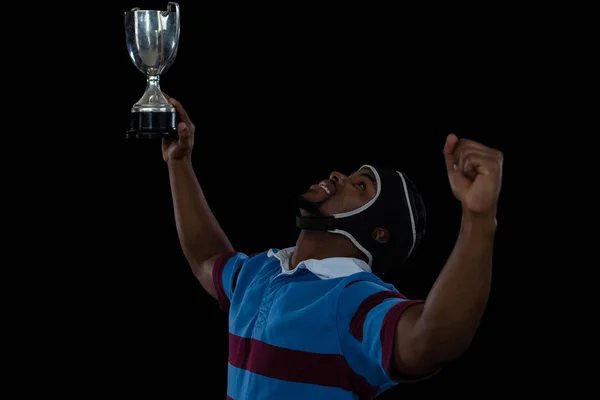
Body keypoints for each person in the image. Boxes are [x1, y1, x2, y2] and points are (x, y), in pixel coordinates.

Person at [163, 95, 503, 399]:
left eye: (360, 185)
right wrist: (179, 164)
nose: (338, 175)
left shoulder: (355, 300)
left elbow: (431, 340)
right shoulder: (259, 271)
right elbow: (207, 257)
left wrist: (479, 218)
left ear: (378, 232)